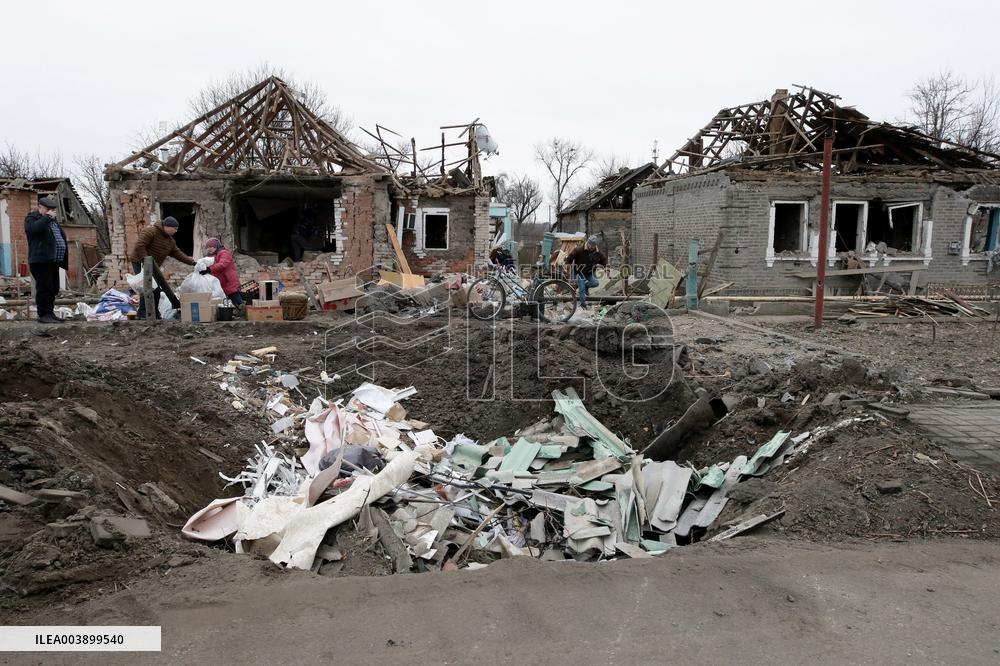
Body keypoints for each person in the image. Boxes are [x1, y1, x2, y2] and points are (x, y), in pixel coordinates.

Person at [127, 216, 196, 317]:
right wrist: (146, 261)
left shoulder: (170, 242)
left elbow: (178, 254)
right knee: (147, 288)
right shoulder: (151, 231)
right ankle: (143, 313)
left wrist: (193, 262)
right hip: (139, 262)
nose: (176, 231)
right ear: (167, 226)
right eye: (174, 228)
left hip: (153, 266)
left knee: (155, 290)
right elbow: (140, 245)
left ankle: (154, 313)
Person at [24, 195, 68, 323]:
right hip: (40, 260)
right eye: (48, 209)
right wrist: (47, 217)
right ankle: (43, 315)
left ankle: (50, 313)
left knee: (53, 288)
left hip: (53, 261)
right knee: (44, 288)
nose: (51, 212)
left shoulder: (52, 221)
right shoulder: (32, 218)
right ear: (40, 207)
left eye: (52, 210)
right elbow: (34, 229)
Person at [565, 235, 607, 309]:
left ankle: (585, 285)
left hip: (590, 273)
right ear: (588, 243)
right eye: (590, 245)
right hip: (579, 272)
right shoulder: (579, 250)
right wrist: (567, 266)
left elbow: (604, 260)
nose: (591, 247)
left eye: (593, 246)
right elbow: (569, 258)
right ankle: (583, 304)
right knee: (581, 288)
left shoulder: (597, 252)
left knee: (595, 283)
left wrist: (604, 267)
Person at [201, 238, 243, 310]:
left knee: (236, 299)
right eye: (207, 247)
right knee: (228, 303)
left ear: (216, 246)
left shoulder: (224, 253)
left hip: (229, 280)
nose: (209, 249)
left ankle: (243, 311)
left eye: (211, 246)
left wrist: (209, 269)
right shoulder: (212, 256)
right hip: (222, 282)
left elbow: (222, 264)